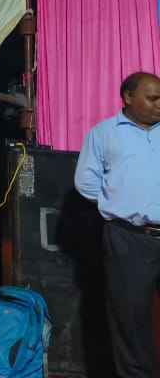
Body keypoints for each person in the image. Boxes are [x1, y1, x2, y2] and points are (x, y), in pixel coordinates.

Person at [74, 71, 160, 378]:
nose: (159, 105)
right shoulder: (103, 134)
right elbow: (85, 181)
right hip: (129, 237)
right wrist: (119, 203)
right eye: (152, 98)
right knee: (130, 318)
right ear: (128, 97)